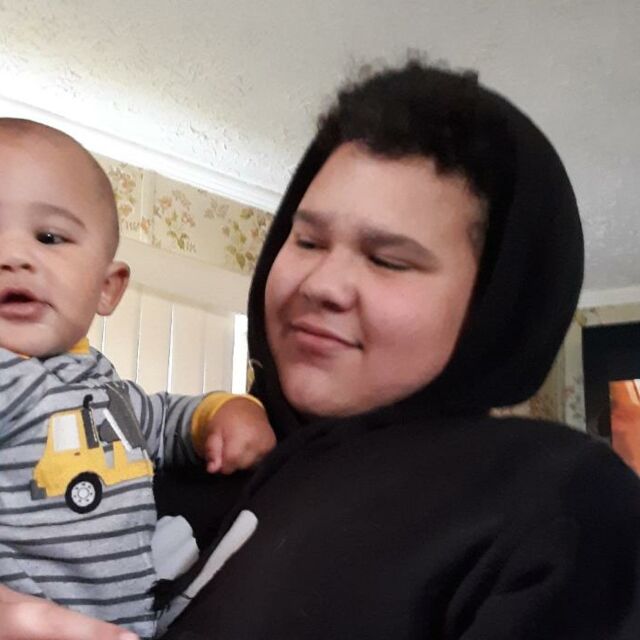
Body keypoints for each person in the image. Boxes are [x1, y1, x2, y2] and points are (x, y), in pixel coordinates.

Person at [160, 60, 640, 639]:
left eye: (388, 260)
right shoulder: (166, 459)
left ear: (495, 305)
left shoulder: (557, 501)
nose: (321, 285)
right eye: (307, 241)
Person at [0, 119, 276, 640]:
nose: (12, 257)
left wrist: (224, 412)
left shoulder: (107, 393)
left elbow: (165, 419)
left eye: (49, 237)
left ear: (107, 287)